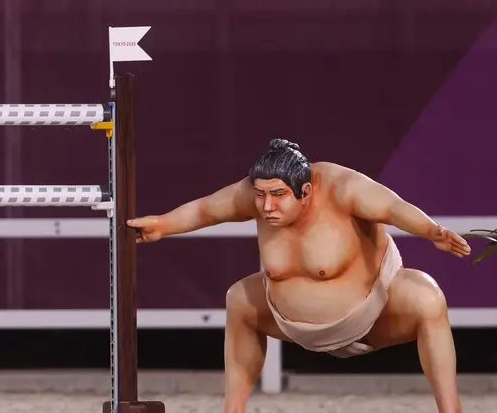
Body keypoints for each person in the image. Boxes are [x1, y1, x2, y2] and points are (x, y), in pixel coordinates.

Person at [128, 139, 470, 413]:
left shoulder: (344, 186)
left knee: (427, 296)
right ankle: (233, 409)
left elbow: (393, 208)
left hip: (372, 318)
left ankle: (450, 409)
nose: (265, 207)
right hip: (292, 325)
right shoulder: (258, 195)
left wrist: (431, 231)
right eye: (260, 195)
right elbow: (205, 210)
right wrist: (162, 225)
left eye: (278, 196)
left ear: (305, 192)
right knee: (240, 299)